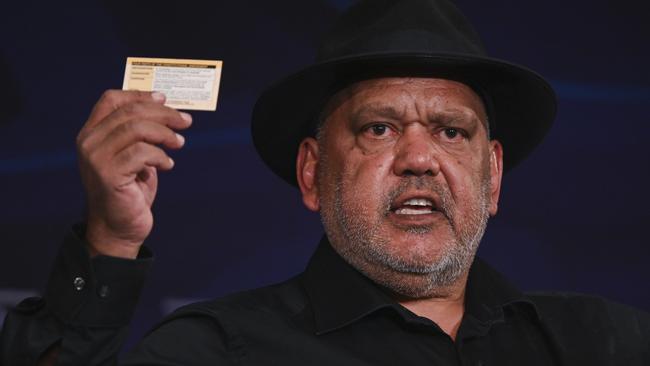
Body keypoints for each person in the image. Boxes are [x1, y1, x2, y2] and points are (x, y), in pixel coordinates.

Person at [2, 0, 649, 364]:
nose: (420, 157)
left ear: (494, 175)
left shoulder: (606, 342)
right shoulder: (215, 350)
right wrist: (110, 241)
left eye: (452, 131)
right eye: (378, 129)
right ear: (312, 171)